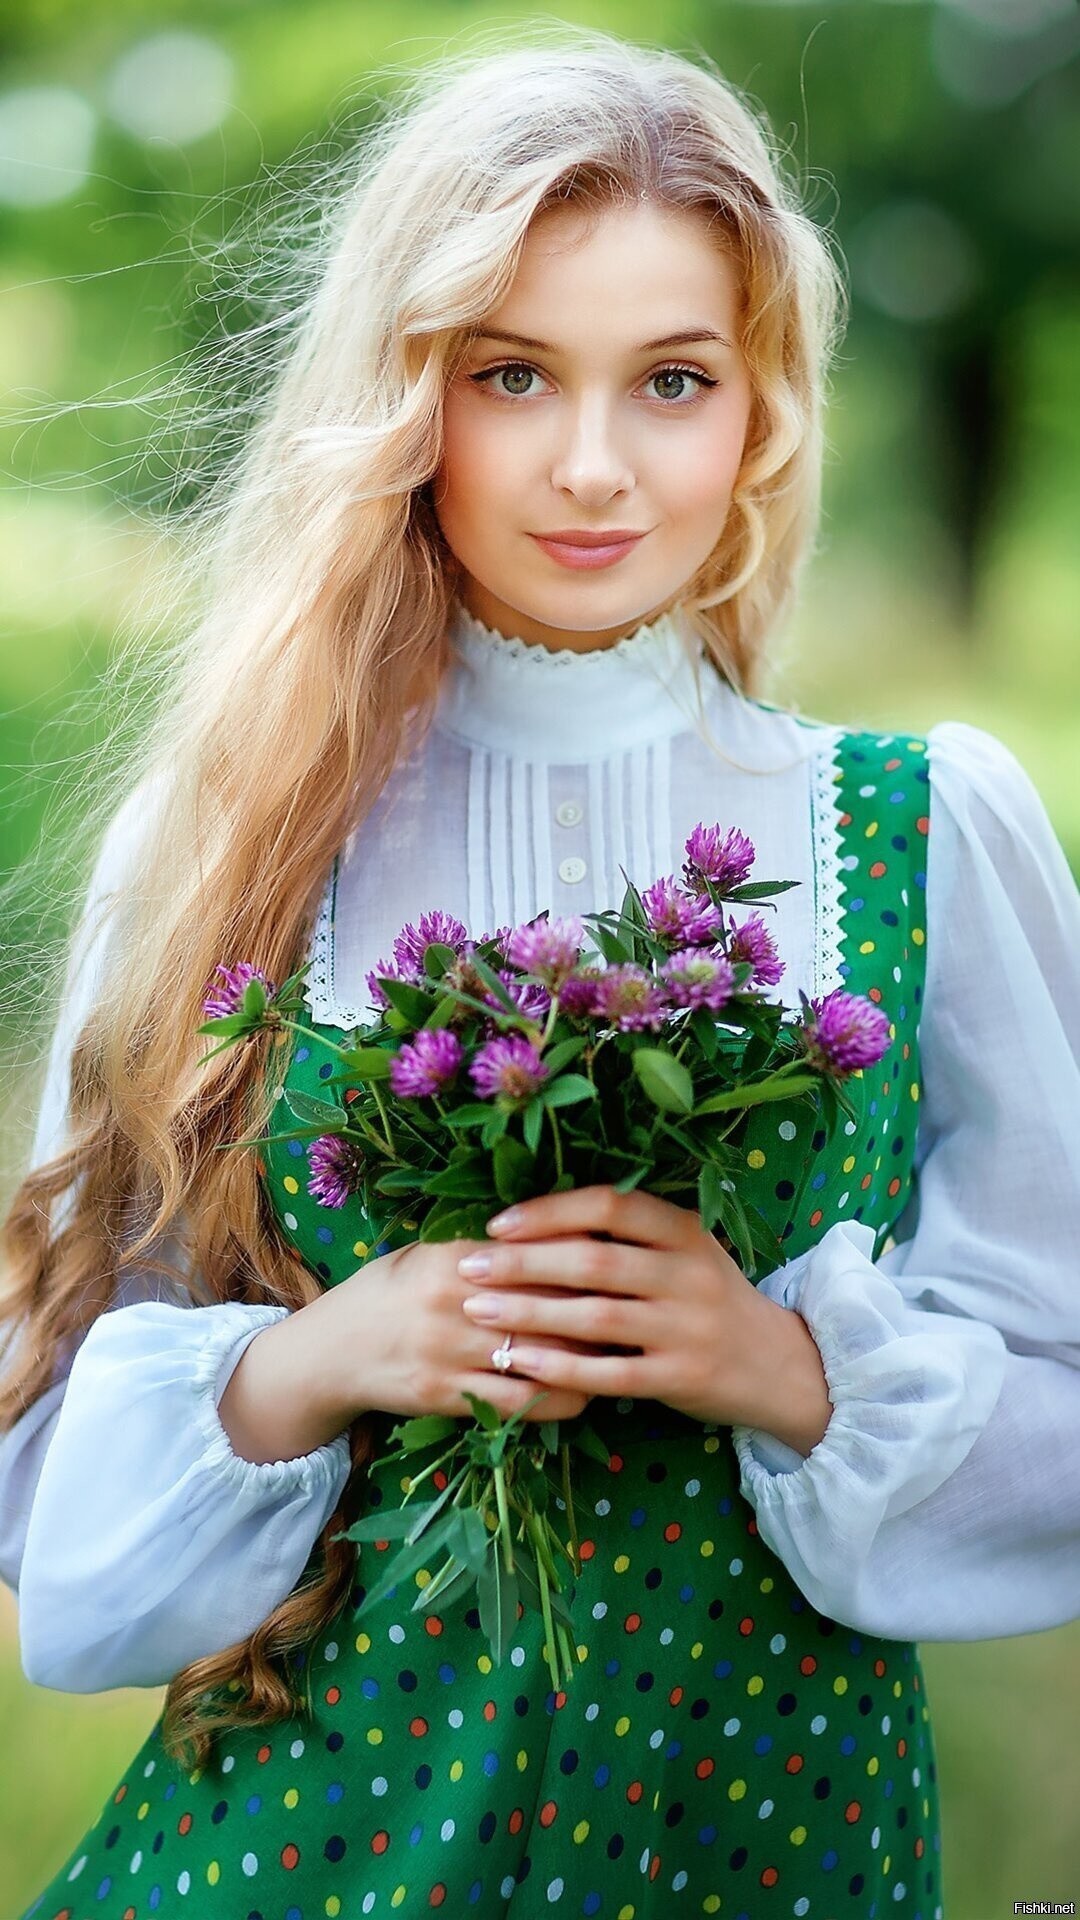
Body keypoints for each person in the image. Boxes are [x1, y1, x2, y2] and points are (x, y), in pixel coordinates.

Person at [3, 26, 1079, 1920]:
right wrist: (317, 1359)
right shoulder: (235, 837)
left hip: (765, 1841)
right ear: (410, 398)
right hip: (305, 1848)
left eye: (672, 379)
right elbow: (47, 1498)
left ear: (761, 412)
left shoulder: (922, 829)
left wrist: (783, 1369)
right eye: (513, 375)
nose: (593, 466)